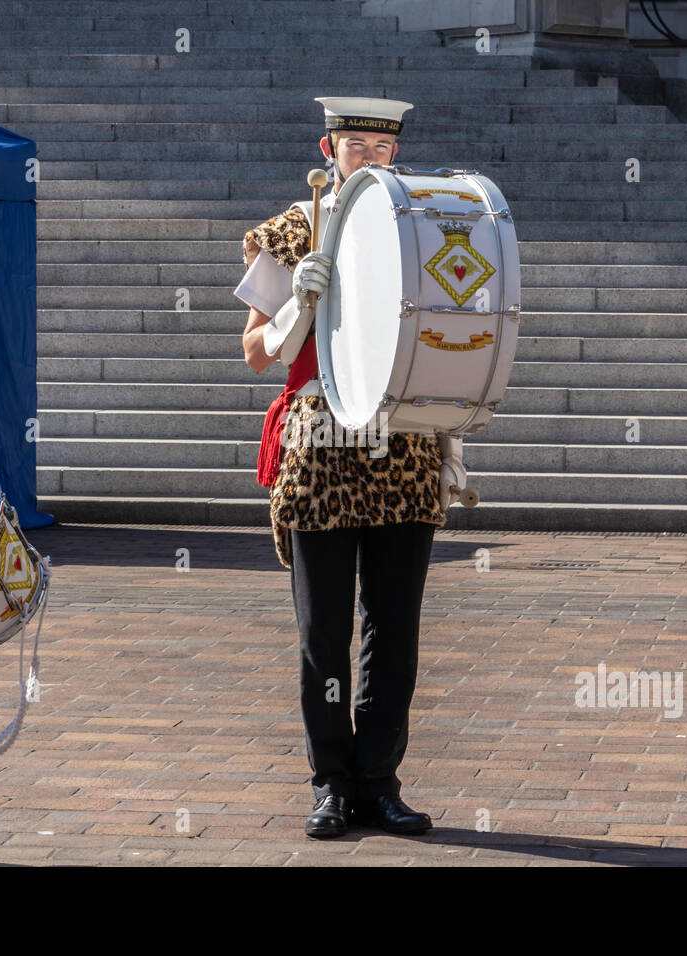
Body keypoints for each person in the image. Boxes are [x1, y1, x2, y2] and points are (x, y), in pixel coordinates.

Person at [235, 97, 467, 838]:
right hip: (320, 448)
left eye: (379, 145)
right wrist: (292, 306)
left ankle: (379, 780)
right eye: (353, 143)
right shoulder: (290, 230)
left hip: (403, 442)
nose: (368, 155)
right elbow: (252, 352)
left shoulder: (425, 224)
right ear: (327, 147)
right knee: (323, 633)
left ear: (395, 153)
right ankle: (331, 781)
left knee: (394, 630)